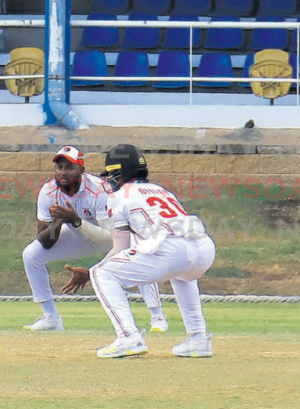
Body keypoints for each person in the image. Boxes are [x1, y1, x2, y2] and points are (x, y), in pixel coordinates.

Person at [63, 144, 216, 359]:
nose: (109, 181)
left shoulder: (118, 197)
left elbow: (121, 247)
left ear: (119, 173)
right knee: (183, 276)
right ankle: (199, 339)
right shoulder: (162, 191)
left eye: (111, 175)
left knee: (102, 273)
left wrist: (91, 272)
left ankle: (129, 336)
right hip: (203, 247)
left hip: (171, 248)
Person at [22, 146, 167, 332]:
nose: (63, 173)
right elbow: (46, 241)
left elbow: (109, 237)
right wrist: (58, 222)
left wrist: (75, 221)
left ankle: (157, 317)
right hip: (78, 234)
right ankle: (51, 317)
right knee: (31, 254)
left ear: (81, 170)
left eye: (69, 167)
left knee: (139, 248)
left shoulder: (98, 190)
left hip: (107, 234)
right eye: (59, 167)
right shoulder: (48, 191)